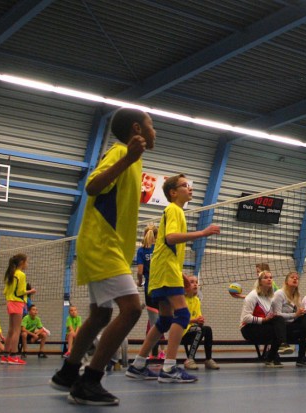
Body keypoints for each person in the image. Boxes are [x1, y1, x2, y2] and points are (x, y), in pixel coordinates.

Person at [50, 108, 153, 405]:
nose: (155, 131)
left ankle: (68, 373)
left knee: (101, 314)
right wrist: (127, 159)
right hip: (101, 246)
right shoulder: (120, 152)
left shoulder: (133, 161)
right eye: (151, 125)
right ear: (137, 128)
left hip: (108, 248)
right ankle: (89, 381)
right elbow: (92, 186)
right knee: (132, 309)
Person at [126, 173, 220, 385]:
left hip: (164, 271)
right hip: (165, 271)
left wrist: (182, 275)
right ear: (173, 192)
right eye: (185, 186)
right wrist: (202, 233)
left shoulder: (174, 211)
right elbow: (170, 238)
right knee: (184, 315)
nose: (190, 188)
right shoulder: (174, 209)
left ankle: (138, 364)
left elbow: (166, 248)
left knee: (166, 320)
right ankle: (169, 367)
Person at [272, 271, 306, 367]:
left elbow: (297, 314)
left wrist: (302, 313)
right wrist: (295, 314)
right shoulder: (279, 293)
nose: (295, 279)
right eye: (292, 277)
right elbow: (276, 315)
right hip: (280, 326)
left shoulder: (297, 296)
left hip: (291, 324)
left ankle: (301, 357)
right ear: (286, 281)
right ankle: (276, 353)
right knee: (301, 322)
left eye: (297, 278)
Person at [237, 270, 285, 367]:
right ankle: (273, 355)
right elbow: (245, 318)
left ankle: (272, 356)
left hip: (263, 327)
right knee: (277, 331)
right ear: (259, 281)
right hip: (248, 328)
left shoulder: (270, 297)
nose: (269, 279)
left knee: (279, 320)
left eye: (270, 277)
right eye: (266, 278)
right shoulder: (252, 296)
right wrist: (264, 320)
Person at [134, 224, 163, 359]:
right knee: (163, 320)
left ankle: (154, 354)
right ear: (156, 236)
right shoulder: (159, 248)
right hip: (162, 287)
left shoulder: (141, 251)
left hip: (150, 289)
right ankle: (160, 352)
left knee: (154, 322)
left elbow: (140, 271)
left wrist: (139, 282)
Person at [180, 275, 219, 370]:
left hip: (193, 330)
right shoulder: (181, 299)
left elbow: (198, 320)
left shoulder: (196, 300)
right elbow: (179, 320)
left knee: (207, 329)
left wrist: (200, 321)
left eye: (196, 282)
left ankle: (208, 359)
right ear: (185, 285)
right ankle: (190, 359)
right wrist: (195, 321)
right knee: (199, 330)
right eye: (192, 282)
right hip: (181, 331)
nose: (195, 284)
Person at [2, 253, 35, 366]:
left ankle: (5, 355)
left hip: (10, 302)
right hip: (17, 302)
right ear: (22, 263)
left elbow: (5, 291)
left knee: (11, 330)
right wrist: (30, 291)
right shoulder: (21, 274)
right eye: (27, 262)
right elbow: (21, 292)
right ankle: (13, 356)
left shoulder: (10, 273)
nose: (28, 264)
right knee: (17, 330)